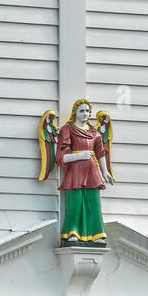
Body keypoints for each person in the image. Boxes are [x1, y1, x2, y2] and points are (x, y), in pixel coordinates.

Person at [55, 98, 113, 243]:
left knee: (93, 202)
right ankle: (72, 231)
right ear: (75, 112)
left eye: (87, 111)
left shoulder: (95, 132)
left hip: (92, 170)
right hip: (76, 170)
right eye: (82, 110)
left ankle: (96, 233)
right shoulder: (67, 130)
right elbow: (61, 156)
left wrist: (105, 172)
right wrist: (79, 156)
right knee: (75, 202)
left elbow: (100, 153)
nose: (85, 113)